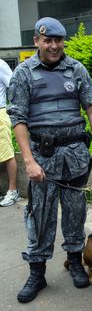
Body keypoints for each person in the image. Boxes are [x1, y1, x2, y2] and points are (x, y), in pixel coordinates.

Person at [7, 17, 92, 303]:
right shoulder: (24, 74)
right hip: (42, 156)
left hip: (75, 155)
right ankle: (37, 273)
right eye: (47, 40)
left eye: (58, 40)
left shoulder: (76, 69)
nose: (53, 46)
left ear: (63, 41)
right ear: (37, 42)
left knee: (76, 211)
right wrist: (28, 160)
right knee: (40, 215)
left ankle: (76, 262)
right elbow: (18, 119)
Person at [0, 59, 20, 207]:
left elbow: (14, 87)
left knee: (6, 153)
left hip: (0, 113)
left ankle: (13, 191)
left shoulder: (0, 64)